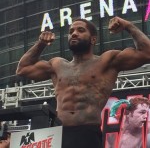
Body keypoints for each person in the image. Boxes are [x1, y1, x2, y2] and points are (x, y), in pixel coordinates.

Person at [16, 16, 150, 148]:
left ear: (93, 39)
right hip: (58, 132)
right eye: (71, 32)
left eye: (80, 30)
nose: (74, 34)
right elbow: (23, 69)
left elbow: (147, 53)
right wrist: (41, 43)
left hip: (87, 132)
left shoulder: (106, 61)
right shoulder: (57, 65)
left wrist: (128, 25)